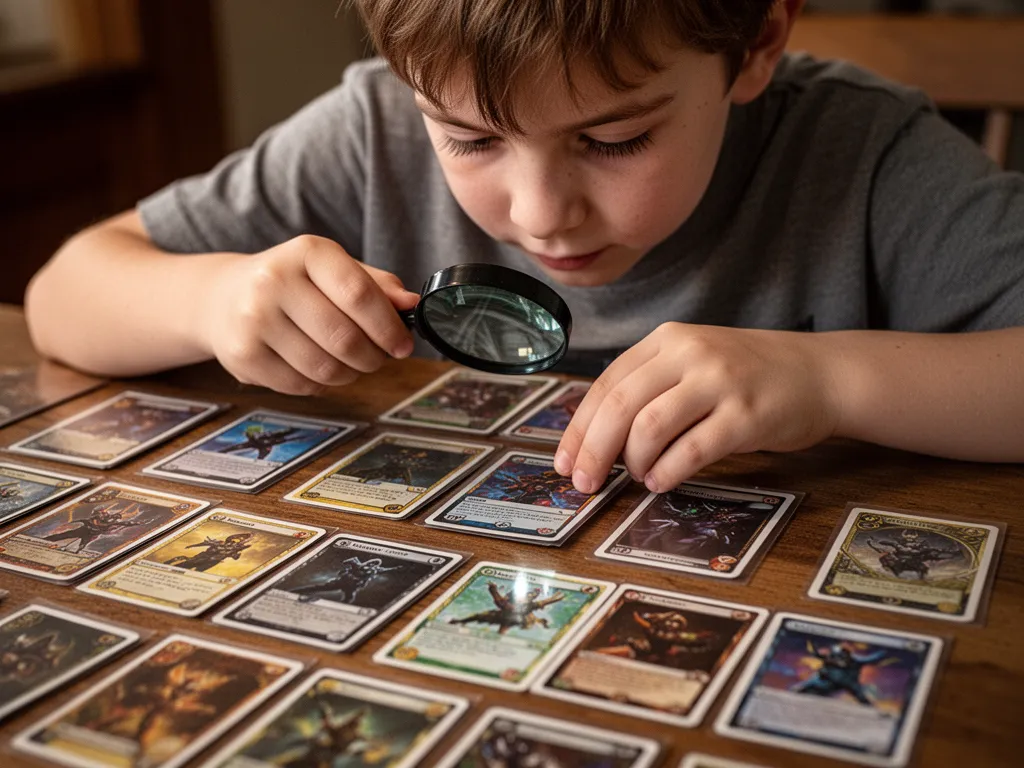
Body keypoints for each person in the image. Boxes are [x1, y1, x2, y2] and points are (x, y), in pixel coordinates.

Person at [23, 1, 1024, 497]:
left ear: (757, 42)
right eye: (467, 139)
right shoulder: (367, 133)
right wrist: (211, 300)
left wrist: (833, 381)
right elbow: (63, 296)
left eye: (614, 140)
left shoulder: (865, 157)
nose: (541, 214)